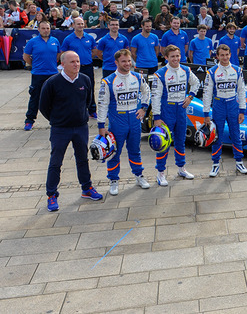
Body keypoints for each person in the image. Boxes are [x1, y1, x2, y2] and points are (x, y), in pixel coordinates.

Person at [39, 51, 103, 211]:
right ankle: (51, 194)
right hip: (60, 129)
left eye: (78, 61)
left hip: (81, 127)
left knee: (82, 159)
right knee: (56, 162)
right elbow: (43, 107)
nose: (76, 64)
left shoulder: (85, 80)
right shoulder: (52, 83)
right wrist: (57, 120)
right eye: (72, 62)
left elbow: (88, 101)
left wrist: (81, 117)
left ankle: (87, 188)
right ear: (63, 64)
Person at [97, 49, 151, 195]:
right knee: (114, 152)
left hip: (134, 119)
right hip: (117, 120)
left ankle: (139, 176)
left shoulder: (138, 77)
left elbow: (147, 92)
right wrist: (101, 126)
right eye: (124, 61)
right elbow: (102, 104)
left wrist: (144, 108)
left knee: (135, 150)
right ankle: (113, 180)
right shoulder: (108, 81)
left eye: (129, 61)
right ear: (116, 62)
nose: (127, 64)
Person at [152, 45, 201, 185]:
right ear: (166, 57)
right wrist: (157, 117)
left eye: (178, 56)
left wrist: (190, 96)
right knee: (163, 143)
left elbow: (196, 83)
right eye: (172, 56)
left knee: (180, 140)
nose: (176, 58)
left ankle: (181, 168)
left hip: (181, 109)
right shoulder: (160, 74)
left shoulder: (186, 70)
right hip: (166, 111)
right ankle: (160, 173)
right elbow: (155, 97)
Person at [203, 44, 247, 176]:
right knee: (217, 136)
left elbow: (241, 91)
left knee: (236, 134)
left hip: (233, 105)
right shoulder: (212, 72)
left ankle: (239, 162)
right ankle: (215, 164)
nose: (224, 57)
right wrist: (206, 114)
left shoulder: (237, 70)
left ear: (230, 55)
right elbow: (207, 94)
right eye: (222, 55)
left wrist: (242, 110)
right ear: (217, 56)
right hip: (219, 105)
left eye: (227, 54)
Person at [23, 21, 61, 131]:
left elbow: (58, 55)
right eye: (43, 28)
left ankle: (56, 119)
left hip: (53, 74)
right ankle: (29, 120)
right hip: (38, 74)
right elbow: (26, 57)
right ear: (38, 29)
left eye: (47, 28)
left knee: (55, 98)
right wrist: (35, 65)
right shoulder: (32, 42)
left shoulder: (55, 41)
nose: (45, 30)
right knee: (35, 98)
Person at [60, 17, 98, 118]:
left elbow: (94, 51)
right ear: (73, 25)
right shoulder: (68, 39)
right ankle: (75, 110)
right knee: (74, 89)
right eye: (78, 24)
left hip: (88, 67)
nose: (80, 26)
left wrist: (87, 57)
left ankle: (92, 110)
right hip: (74, 69)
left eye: (82, 24)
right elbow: (63, 53)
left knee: (90, 88)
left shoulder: (89, 38)